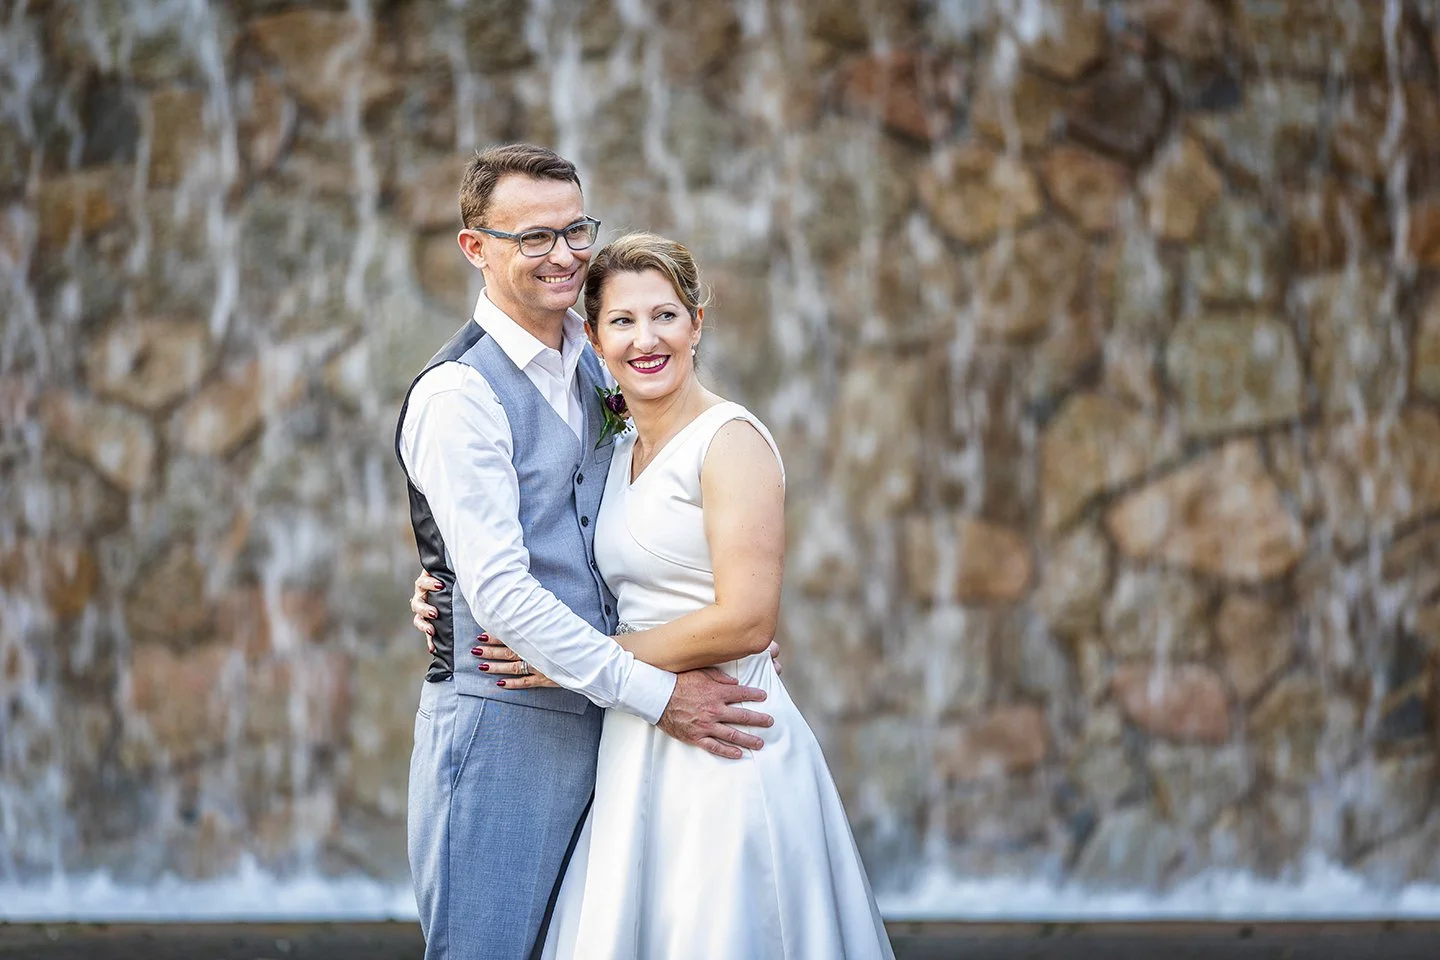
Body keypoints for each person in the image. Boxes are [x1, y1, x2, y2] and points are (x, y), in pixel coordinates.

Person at [413, 232, 895, 958]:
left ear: (697, 323)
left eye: (665, 315)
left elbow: (748, 618)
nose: (646, 339)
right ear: (594, 339)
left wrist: (571, 660)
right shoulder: (615, 448)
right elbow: (547, 541)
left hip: (724, 731)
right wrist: (444, 586)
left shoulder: (730, 441)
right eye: (623, 321)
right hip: (634, 734)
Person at [395, 143, 778, 960]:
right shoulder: (459, 392)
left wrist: (713, 633)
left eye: (575, 230)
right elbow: (500, 591)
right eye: (533, 237)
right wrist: (659, 693)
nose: (563, 255)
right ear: (475, 247)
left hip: (618, 735)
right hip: (507, 732)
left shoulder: (602, 356)